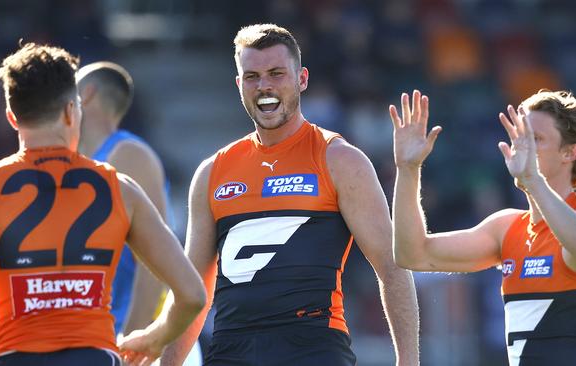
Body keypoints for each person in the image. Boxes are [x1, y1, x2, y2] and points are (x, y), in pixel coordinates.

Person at [125, 23, 420, 366]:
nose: (264, 86)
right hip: (231, 351)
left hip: (313, 349)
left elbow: (392, 267)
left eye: (276, 73)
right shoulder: (212, 172)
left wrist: (408, 361)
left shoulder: (340, 159)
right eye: (252, 77)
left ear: (302, 79)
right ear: (239, 85)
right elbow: (194, 292)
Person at [0, 42, 206, 366]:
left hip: (15, 356)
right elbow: (192, 294)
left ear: (11, 117)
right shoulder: (120, 188)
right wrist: (155, 337)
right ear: (71, 111)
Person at [390, 89, 576, 365]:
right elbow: (413, 254)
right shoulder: (506, 228)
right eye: (518, 137)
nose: (521, 146)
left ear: (570, 152)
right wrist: (408, 169)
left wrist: (534, 180)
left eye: (534, 139)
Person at [76, 61, 203, 365]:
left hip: (144, 344)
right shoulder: (82, 163)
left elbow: (154, 264)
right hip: (108, 341)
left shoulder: (128, 155)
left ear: (88, 94)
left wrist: (132, 342)